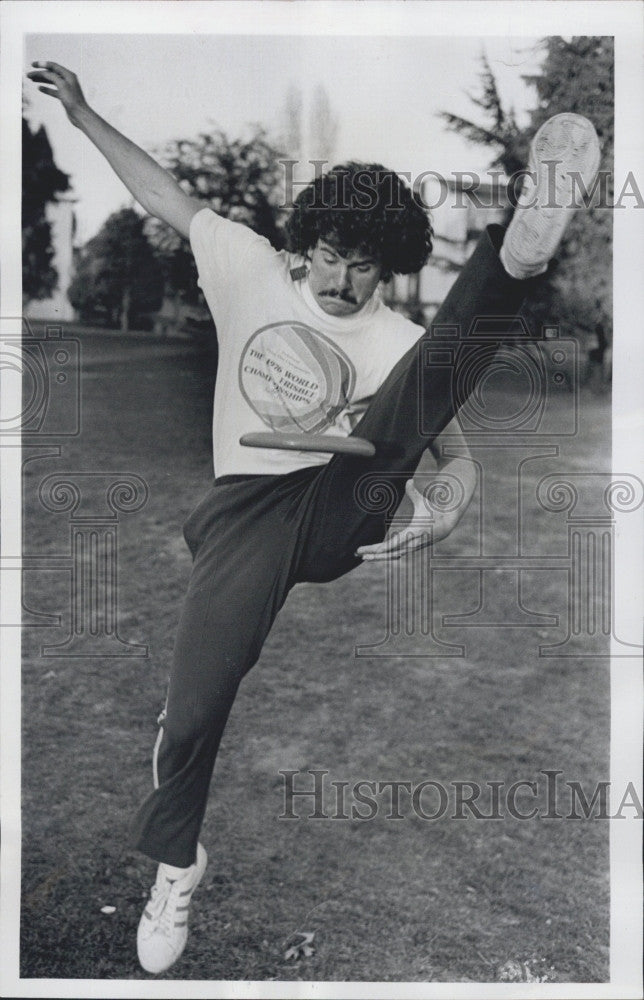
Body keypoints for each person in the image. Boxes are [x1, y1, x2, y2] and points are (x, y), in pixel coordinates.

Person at [27, 61, 600, 975]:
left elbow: (454, 456)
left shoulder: (396, 340)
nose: (341, 279)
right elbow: (158, 192)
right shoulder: (247, 266)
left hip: (344, 510)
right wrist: (89, 116)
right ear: (306, 245)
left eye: (364, 264)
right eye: (329, 254)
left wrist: (443, 511)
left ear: (391, 266)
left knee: (415, 386)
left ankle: (513, 262)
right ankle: (178, 865)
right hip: (243, 516)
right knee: (192, 717)